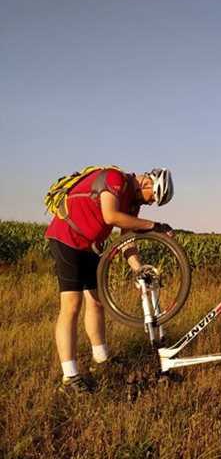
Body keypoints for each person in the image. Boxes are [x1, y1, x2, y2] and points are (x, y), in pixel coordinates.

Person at [45, 167, 175, 394]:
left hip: (89, 246)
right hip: (67, 238)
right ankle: (70, 375)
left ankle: (101, 359)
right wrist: (154, 225)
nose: (151, 203)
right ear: (147, 184)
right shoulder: (115, 179)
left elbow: (127, 240)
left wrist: (139, 269)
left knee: (96, 301)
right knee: (72, 305)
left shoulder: (133, 205)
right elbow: (110, 216)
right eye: (153, 197)